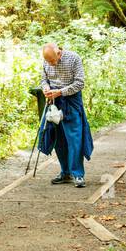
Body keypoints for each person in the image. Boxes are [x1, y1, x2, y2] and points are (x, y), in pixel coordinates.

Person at [37, 41, 93, 187]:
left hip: (71, 101)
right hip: (54, 102)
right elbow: (43, 79)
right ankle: (65, 172)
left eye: (52, 60)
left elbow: (80, 83)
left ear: (58, 52)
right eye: (48, 61)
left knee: (74, 138)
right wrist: (46, 88)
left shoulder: (74, 58)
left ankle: (78, 175)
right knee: (58, 138)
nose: (51, 63)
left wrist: (60, 92)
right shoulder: (46, 60)